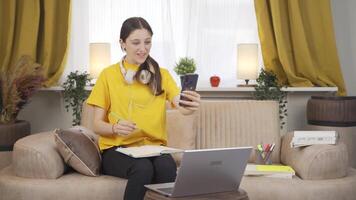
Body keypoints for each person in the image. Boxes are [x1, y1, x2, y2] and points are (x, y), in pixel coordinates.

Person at [86, 17, 201, 200]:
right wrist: (115, 128)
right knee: (142, 168)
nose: (143, 48)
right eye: (135, 42)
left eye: (148, 42)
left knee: (167, 166)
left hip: (153, 148)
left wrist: (190, 105)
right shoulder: (107, 75)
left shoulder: (161, 74)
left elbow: (180, 103)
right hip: (117, 150)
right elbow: (97, 125)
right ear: (122, 43)